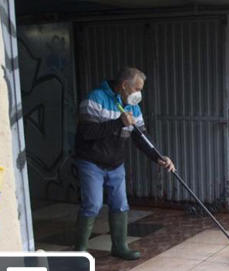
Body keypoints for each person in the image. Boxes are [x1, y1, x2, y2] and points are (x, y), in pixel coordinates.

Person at [73, 67, 175, 260]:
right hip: (91, 161)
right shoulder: (95, 99)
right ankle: (79, 252)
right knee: (92, 205)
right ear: (124, 86)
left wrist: (159, 157)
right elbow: (87, 133)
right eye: (137, 88)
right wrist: (118, 122)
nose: (139, 94)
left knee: (120, 205)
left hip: (115, 163)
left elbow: (141, 137)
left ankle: (119, 247)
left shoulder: (132, 107)